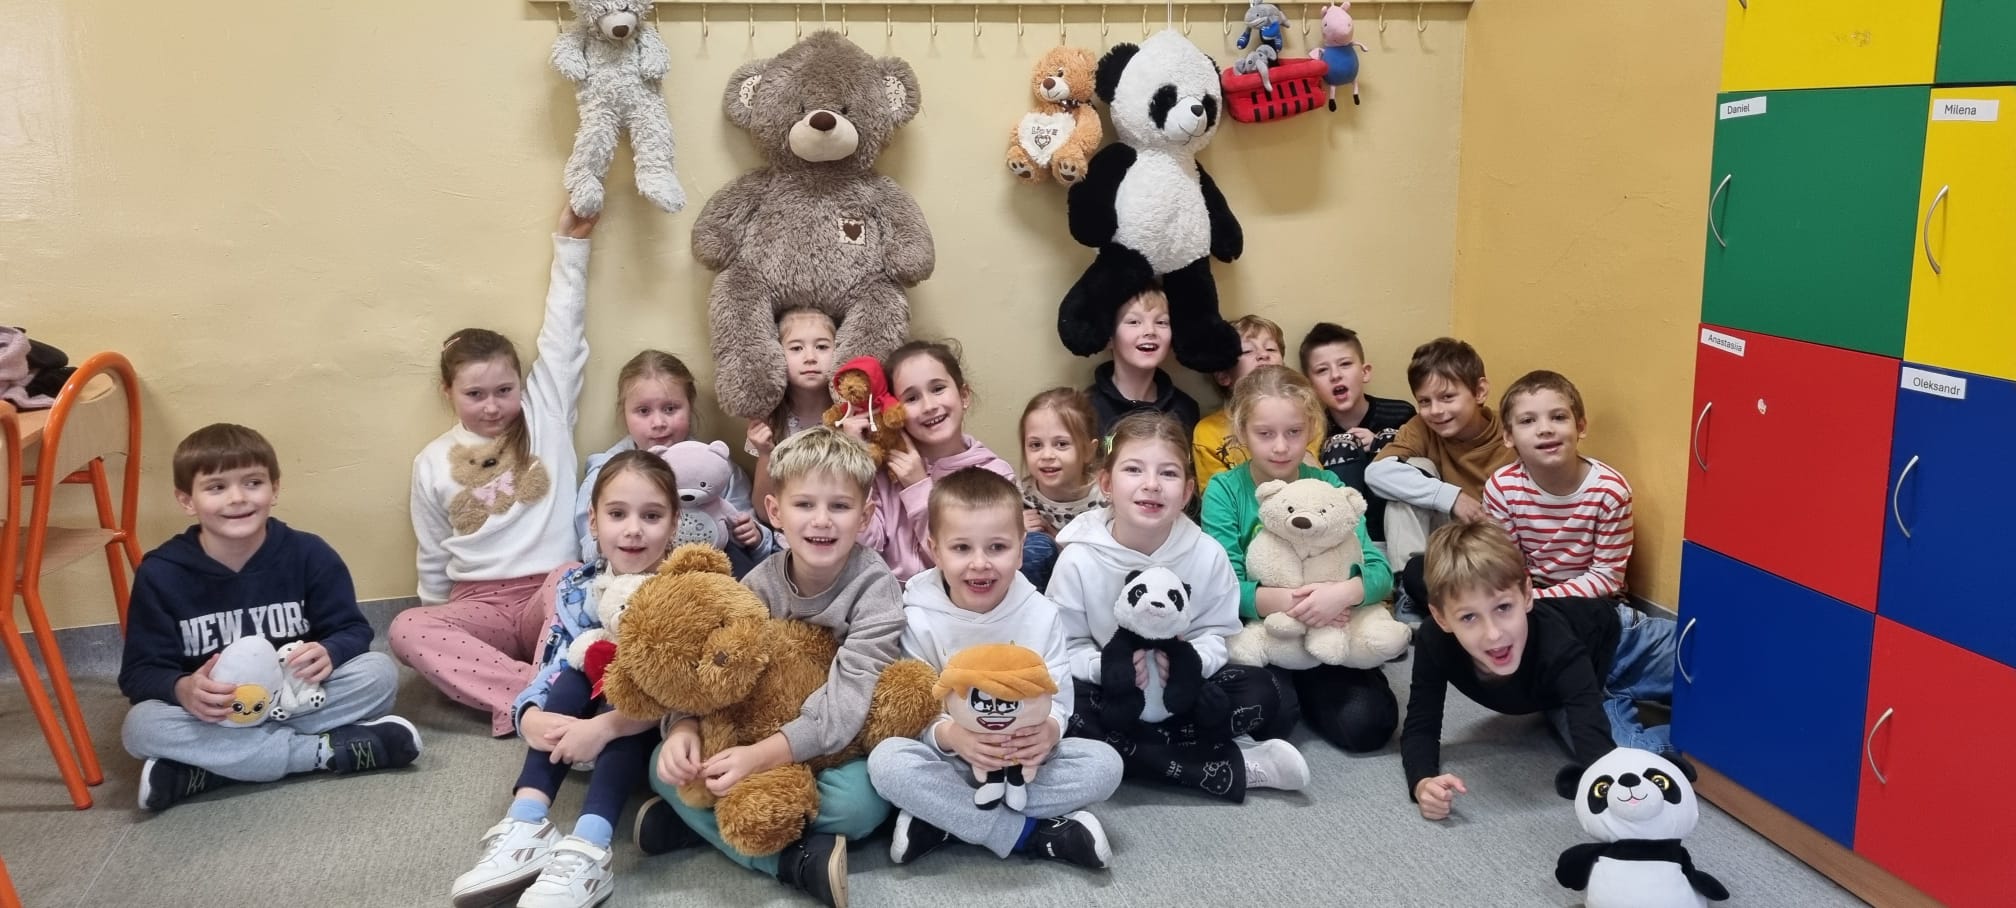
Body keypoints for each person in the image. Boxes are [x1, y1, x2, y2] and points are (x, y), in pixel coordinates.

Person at [634, 427, 903, 908]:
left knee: (861, 805)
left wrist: (761, 758)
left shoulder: (875, 588)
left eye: (840, 506)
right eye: (804, 505)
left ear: (864, 517)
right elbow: (706, 670)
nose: (821, 520)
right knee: (662, 765)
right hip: (754, 732)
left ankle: (723, 835)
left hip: (834, 747)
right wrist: (683, 726)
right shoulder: (758, 584)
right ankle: (782, 853)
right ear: (775, 512)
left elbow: (848, 702)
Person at [120, 423, 418, 812]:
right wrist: (181, 689)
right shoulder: (161, 572)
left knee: (379, 674)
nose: (237, 498)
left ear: (274, 489)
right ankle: (321, 752)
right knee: (140, 726)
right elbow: (139, 673)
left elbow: (352, 629)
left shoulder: (310, 554)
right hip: (217, 714)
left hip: (296, 699)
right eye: (216, 487)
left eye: (253, 482)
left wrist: (331, 651)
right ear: (186, 500)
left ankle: (212, 769)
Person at [394, 205, 599, 735]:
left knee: (578, 584)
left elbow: (564, 333)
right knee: (407, 628)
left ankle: (525, 692)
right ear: (449, 392)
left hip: (547, 595)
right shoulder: (431, 461)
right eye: (475, 394)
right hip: (478, 604)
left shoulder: (546, 414)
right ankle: (539, 695)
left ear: (521, 385)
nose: (492, 406)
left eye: (504, 390)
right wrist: (438, 617)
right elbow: (433, 551)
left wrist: (572, 243)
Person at [452, 450, 678, 908]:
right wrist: (529, 713)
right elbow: (554, 659)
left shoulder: (684, 591)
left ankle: (591, 846)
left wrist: (606, 727)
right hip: (584, 725)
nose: (633, 529)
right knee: (574, 674)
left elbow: (685, 694)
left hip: (661, 731)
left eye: (651, 516)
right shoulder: (578, 587)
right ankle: (527, 820)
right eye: (617, 514)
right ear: (593, 521)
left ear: (674, 525)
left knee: (622, 681)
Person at [868, 468, 1123, 869]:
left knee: (1106, 765)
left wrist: (1048, 732)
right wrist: (951, 736)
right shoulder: (918, 614)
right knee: (887, 763)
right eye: (961, 548)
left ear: (1021, 550)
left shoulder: (1041, 613)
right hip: (954, 761)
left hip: (1025, 764)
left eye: (998, 547)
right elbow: (916, 708)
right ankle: (1029, 834)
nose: (980, 563)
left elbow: (1059, 696)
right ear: (936, 550)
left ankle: (946, 820)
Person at [1048, 412, 1306, 803]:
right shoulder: (1078, 559)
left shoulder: (1207, 554)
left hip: (1182, 692)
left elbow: (1218, 633)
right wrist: (1105, 669)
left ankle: (1140, 754)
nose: (1151, 484)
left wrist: (1190, 665)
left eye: (1167, 473)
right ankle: (1225, 765)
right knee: (1067, 711)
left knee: (1268, 693)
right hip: (1117, 696)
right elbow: (1064, 645)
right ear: (1106, 484)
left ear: (1186, 493)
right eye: (1133, 469)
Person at [1402, 521, 1676, 821]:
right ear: (1441, 617)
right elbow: (1421, 722)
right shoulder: (1434, 641)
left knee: (1710, 670)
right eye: (1469, 617)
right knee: (1633, 762)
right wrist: (1422, 782)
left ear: (1527, 594)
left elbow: (1592, 744)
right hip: (1564, 694)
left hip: (1624, 644)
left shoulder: (1555, 642)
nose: (1493, 634)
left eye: (1503, 608)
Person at [1201, 366, 1399, 753]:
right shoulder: (1224, 491)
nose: (1281, 447)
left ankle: (1317, 687)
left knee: (1369, 726)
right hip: (1267, 633)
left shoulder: (1330, 485)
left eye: (1293, 432)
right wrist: (1303, 604)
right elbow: (1225, 588)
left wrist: (1342, 594)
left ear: (1311, 429)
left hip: (1333, 629)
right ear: (1242, 432)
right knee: (1269, 721)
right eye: (1265, 434)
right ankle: (1297, 691)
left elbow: (1380, 573)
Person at [1483, 370, 1634, 600]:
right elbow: (1507, 565)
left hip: (1593, 599)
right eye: (1527, 421)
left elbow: (1607, 577)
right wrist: (1523, 600)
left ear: (1580, 427)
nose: (1545, 429)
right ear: (1508, 437)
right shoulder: (1502, 488)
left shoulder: (1610, 491)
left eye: (1558, 417)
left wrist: (1539, 600)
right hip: (1528, 593)